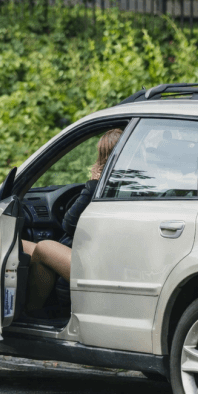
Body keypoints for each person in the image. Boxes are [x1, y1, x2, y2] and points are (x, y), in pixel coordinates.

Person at [23, 128, 124, 312]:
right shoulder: (130, 187)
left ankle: (32, 312)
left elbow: (68, 224)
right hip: (99, 259)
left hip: (89, 264)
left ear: (104, 157)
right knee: (18, 244)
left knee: (44, 247)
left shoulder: (98, 188)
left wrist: (93, 184)